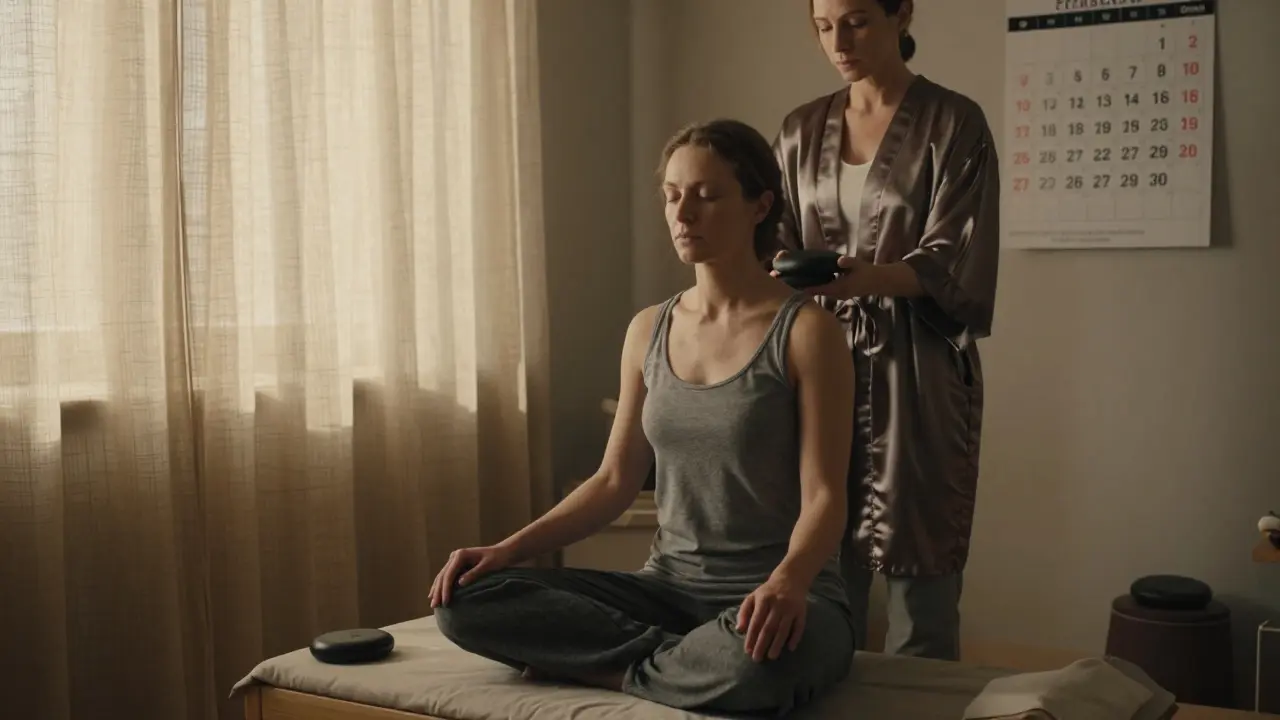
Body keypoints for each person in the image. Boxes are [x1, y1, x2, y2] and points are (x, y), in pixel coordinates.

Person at [429, 119, 858, 717]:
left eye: (707, 196)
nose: (684, 213)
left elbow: (826, 497)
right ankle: (675, 665)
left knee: (755, 666)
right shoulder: (648, 329)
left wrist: (788, 580)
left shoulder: (808, 333)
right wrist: (507, 550)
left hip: (780, 596)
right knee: (466, 601)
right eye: (672, 195)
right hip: (664, 592)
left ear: (759, 206)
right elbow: (613, 481)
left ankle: (614, 665)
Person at [768, 0, 1000, 662]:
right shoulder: (799, 130)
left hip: (917, 370)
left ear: (902, 14)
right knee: (818, 569)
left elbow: (955, 253)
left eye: (858, 20)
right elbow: (774, 241)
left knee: (921, 574)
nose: (838, 41)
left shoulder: (953, 123)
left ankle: (922, 703)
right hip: (818, 365)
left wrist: (866, 279)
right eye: (823, 26)